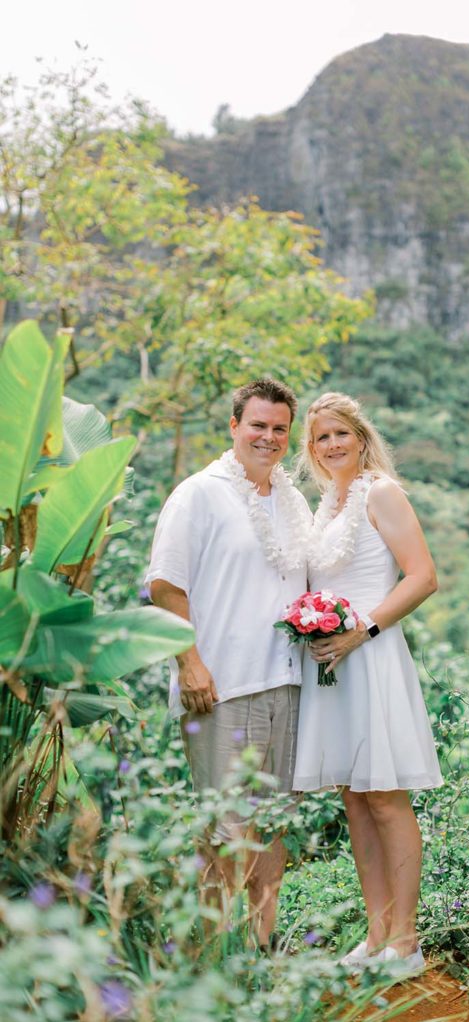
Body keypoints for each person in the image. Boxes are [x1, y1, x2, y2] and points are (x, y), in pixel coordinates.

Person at [145, 379, 311, 949]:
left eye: (279, 428)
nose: (268, 437)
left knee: (270, 824)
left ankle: (260, 949)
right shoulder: (199, 493)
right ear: (234, 426)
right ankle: (212, 954)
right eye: (257, 425)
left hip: (287, 684)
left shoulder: (292, 500)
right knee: (225, 828)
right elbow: (166, 585)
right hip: (220, 686)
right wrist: (190, 664)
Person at [293, 392, 443, 976]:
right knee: (354, 796)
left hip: (370, 653)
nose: (332, 445)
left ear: (360, 437)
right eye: (321, 438)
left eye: (340, 434)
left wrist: (362, 630)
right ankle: (376, 932)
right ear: (312, 448)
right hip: (332, 663)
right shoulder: (325, 505)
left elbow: (424, 576)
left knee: (383, 794)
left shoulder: (381, 492)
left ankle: (406, 940)